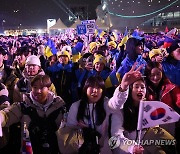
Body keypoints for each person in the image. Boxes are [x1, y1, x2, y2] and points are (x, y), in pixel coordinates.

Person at [62, 64, 143, 154]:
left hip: (103, 150)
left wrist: (123, 86)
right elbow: (70, 130)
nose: (95, 91)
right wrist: (83, 130)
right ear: (85, 89)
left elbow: (117, 103)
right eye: (92, 87)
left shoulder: (106, 104)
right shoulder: (76, 106)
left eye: (98, 87)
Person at [110, 69, 176, 154]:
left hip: (145, 146)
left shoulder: (148, 108)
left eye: (142, 87)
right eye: (136, 86)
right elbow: (116, 138)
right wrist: (132, 148)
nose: (140, 90)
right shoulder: (121, 110)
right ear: (130, 89)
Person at [0, 75, 65, 154]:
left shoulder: (59, 106)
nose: (38, 91)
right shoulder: (23, 106)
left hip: (54, 149)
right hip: (30, 149)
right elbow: (7, 115)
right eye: (35, 87)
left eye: (41, 88)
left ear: (48, 88)